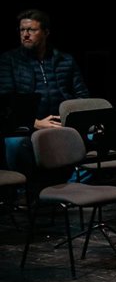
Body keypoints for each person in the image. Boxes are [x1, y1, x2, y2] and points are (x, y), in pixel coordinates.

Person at [0, 9, 90, 172]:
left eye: (31, 30)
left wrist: (69, 120)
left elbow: (82, 96)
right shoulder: (9, 60)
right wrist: (35, 123)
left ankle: (71, 183)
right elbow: (6, 104)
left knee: (95, 138)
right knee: (14, 143)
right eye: (22, 30)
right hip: (28, 126)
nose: (25, 34)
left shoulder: (65, 60)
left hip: (63, 124)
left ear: (46, 32)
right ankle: (27, 187)